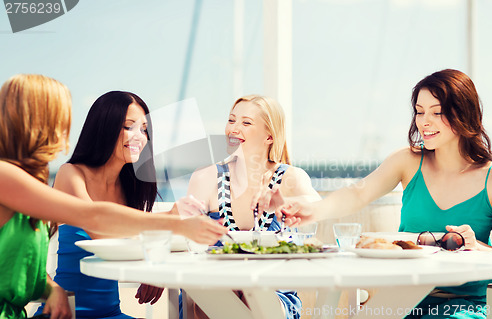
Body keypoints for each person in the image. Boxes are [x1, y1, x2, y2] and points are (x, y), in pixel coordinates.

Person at [261, 69, 492, 318]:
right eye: (419, 111)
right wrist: (311, 211)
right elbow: (358, 195)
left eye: (436, 112)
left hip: (464, 307)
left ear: (463, 113)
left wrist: (477, 247)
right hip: (402, 301)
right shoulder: (408, 161)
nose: (424, 121)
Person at [0, 74, 227, 319]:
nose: (64, 131)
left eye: (144, 129)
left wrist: (53, 289)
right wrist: (174, 222)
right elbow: (96, 220)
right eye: (60, 119)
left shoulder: (31, 183)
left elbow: (24, 264)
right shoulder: (12, 176)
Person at [186, 94, 321, 319]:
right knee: (218, 291)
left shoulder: (290, 177)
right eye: (231, 121)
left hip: (273, 295)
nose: (234, 129)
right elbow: (183, 235)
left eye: (246, 123)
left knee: (254, 295)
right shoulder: (205, 177)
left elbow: (317, 206)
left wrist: (286, 202)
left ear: (269, 136)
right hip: (209, 291)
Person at [34, 91, 165, 318]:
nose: (140, 137)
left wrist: (156, 268)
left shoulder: (130, 187)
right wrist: (153, 265)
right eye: (129, 126)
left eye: (144, 129)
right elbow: (103, 235)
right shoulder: (72, 174)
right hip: (67, 312)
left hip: (112, 313)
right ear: (104, 127)